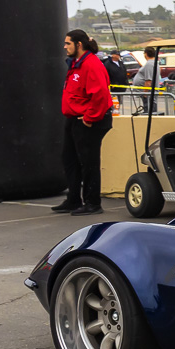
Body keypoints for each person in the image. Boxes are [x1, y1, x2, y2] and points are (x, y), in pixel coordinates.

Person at [56, 29, 112, 216]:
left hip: (88, 120)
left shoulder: (91, 64)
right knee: (69, 159)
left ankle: (93, 202)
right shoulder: (76, 64)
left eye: (67, 43)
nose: (64, 47)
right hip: (73, 118)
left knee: (89, 162)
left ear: (78, 45)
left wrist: (89, 119)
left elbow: (100, 95)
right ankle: (73, 199)